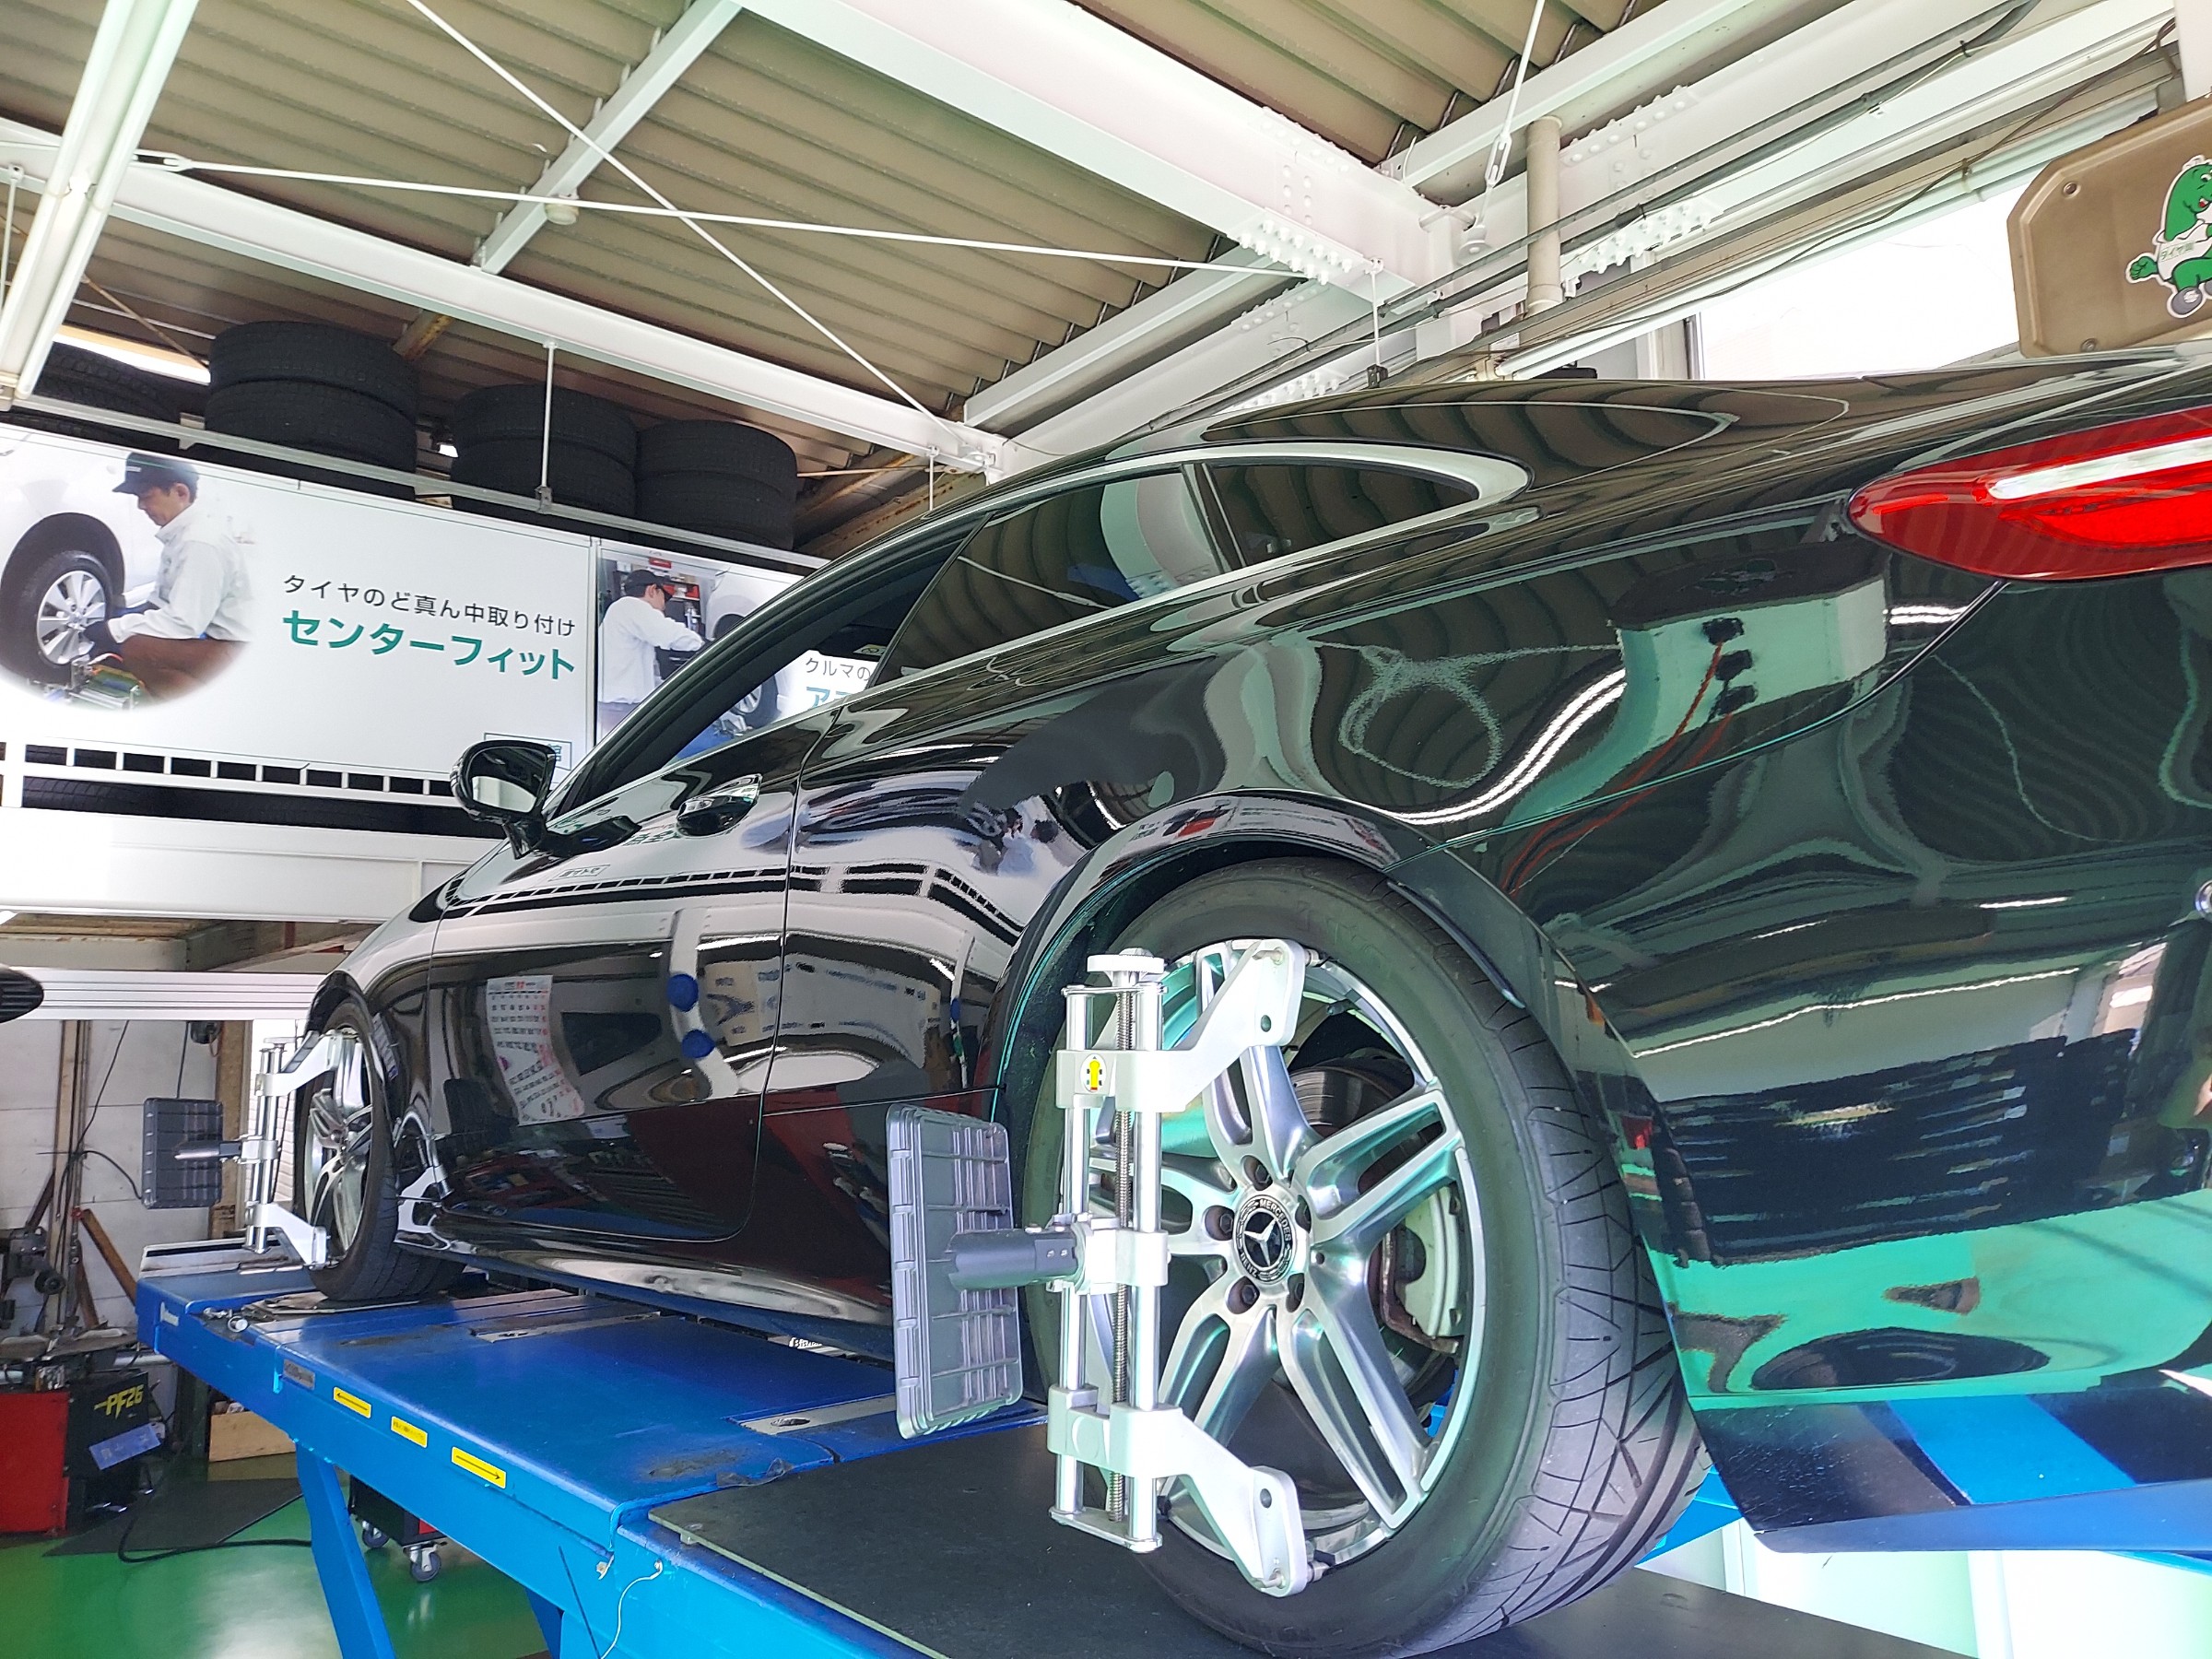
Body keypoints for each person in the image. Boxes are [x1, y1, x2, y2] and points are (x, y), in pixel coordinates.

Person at [89, 453, 252, 697]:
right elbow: (161, 601)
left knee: (139, 649)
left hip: (239, 649)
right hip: (223, 641)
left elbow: (184, 622)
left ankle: (206, 706)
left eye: (146, 495)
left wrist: (114, 629)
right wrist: (123, 621)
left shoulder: (199, 542)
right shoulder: (182, 534)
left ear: (180, 492)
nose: (140, 506)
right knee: (135, 639)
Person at [597, 569, 702, 738]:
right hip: (619, 708)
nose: (664, 606)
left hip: (618, 706)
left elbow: (646, 672)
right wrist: (702, 643)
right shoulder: (631, 606)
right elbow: (669, 634)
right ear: (652, 590)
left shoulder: (622, 613)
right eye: (664, 598)